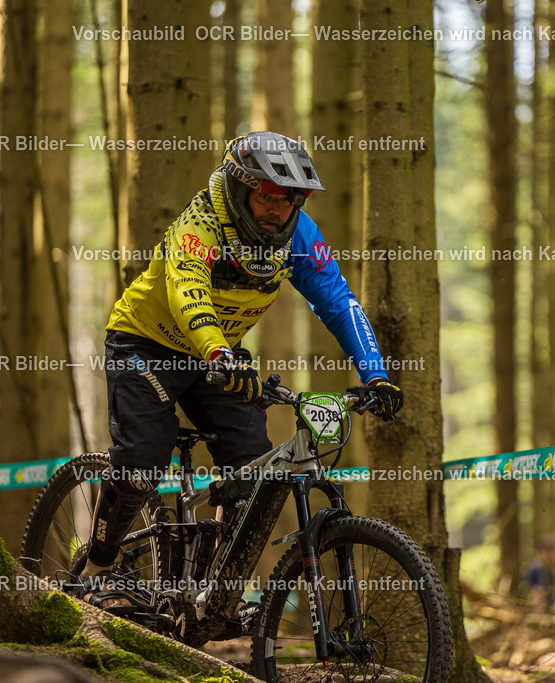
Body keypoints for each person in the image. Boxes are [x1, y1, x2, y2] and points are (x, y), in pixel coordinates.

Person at [78, 131, 403, 610]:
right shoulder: (202, 223)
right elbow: (187, 292)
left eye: (288, 199)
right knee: (145, 454)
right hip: (146, 344)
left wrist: (374, 373)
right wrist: (217, 353)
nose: (277, 209)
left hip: (217, 353)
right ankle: (97, 569)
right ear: (239, 188)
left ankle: (216, 591)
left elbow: (336, 301)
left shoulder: (300, 234)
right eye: (266, 196)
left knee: (255, 468)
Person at [524, 535, 555, 613]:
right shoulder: (539, 568)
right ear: (546, 551)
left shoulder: (545, 567)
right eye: (554, 551)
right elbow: (537, 594)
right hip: (539, 614)